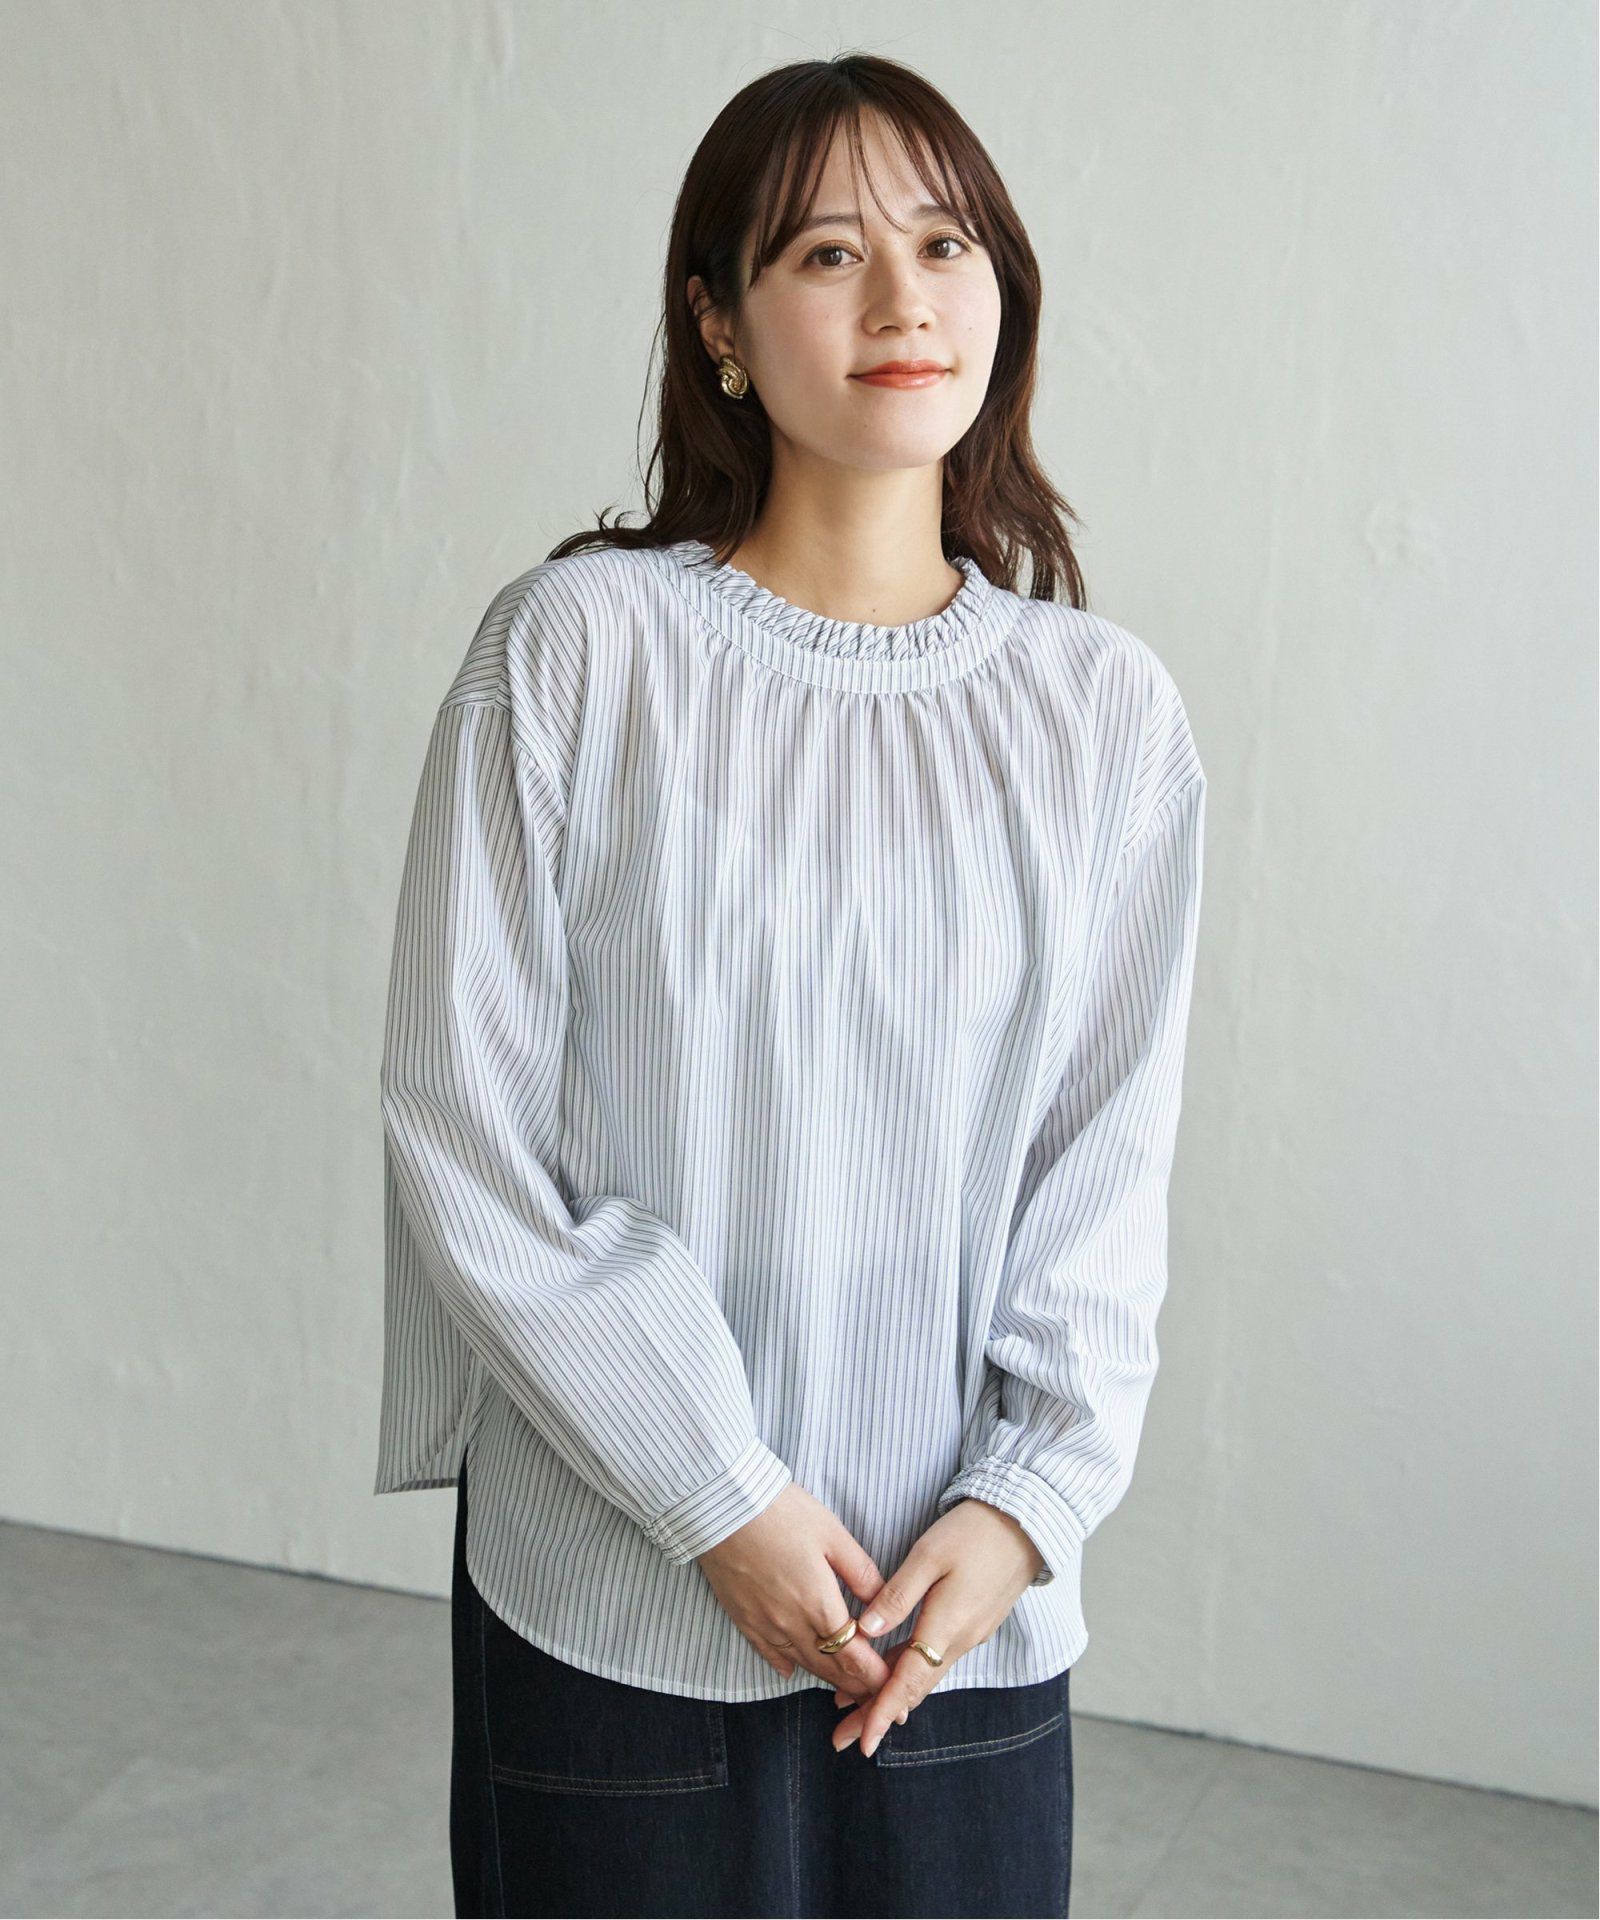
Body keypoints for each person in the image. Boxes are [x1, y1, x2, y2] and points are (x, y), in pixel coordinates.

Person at [374, 50, 1207, 1920]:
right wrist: (716, 1497)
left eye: (945, 242)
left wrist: (1026, 1506)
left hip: (958, 1608)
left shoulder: (1103, 718)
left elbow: (1106, 1166)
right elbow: (460, 1123)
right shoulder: (579, 653)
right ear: (720, 324)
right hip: (618, 1585)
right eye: (828, 252)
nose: (904, 296)